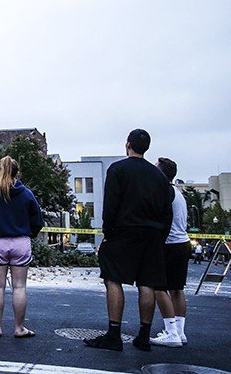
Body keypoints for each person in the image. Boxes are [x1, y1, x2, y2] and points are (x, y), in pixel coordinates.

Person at [84, 129, 173, 352]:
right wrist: (160, 235)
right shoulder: (159, 177)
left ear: (128, 144)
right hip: (152, 234)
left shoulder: (118, 169)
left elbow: (111, 204)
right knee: (147, 283)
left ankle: (114, 334)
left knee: (112, 279)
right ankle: (143, 335)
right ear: (147, 147)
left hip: (123, 232)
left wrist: (109, 232)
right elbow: (167, 211)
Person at [0, 155, 44, 339]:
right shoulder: (27, 194)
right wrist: (28, 232)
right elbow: (38, 221)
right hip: (21, 242)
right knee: (19, 287)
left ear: (1, 171)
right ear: (18, 172)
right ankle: (19, 328)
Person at [149, 157, 190, 347]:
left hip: (169, 244)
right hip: (183, 243)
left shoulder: (163, 191)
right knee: (177, 289)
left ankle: (171, 332)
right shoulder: (178, 193)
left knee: (158, 287)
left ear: (161, 173)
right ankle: (180, 332)